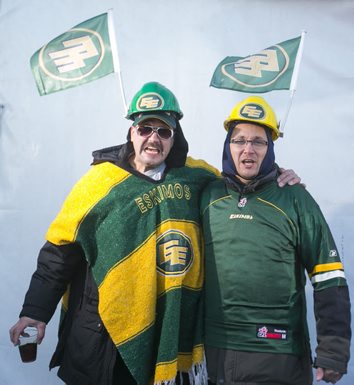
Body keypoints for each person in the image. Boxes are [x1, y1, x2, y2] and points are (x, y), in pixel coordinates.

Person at [8, 82, 299, 385]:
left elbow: (242, 184)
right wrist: (35, 312)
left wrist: (276, 176)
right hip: (104, 337)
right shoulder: (98, 184)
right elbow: (58, 255)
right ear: (132, 132)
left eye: (164, 131)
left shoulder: (197, 178)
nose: (153, 138)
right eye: (145, 128)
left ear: (175, 138)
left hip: (171, 329)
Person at [201, 96, 352, 385]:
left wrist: (334, 350)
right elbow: (160, 172)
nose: (248, 149)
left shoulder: (295, 198)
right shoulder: (207, 195)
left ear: (270, 148)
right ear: (227, 145)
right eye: (239, 140)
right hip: (215, 352)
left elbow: (329, 276)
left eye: (258, 141)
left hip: (277, 355)